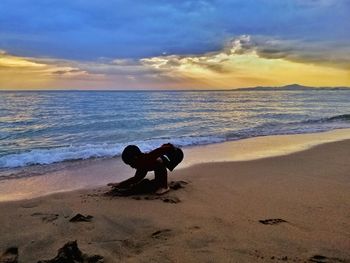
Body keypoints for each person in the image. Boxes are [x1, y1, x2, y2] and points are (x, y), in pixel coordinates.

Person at [112, 143, 184, 195]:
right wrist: (120, 184)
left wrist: (170, 148)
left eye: (131, 163)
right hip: (167, 153)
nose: (131, 166)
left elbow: (163, 150)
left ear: (136, 158)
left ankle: (164, 186)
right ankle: (160, 183)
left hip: (176, 154)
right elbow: (136, 178)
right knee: (158, 161)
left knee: (158, 161)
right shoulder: (141, 166)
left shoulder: (148, 158)